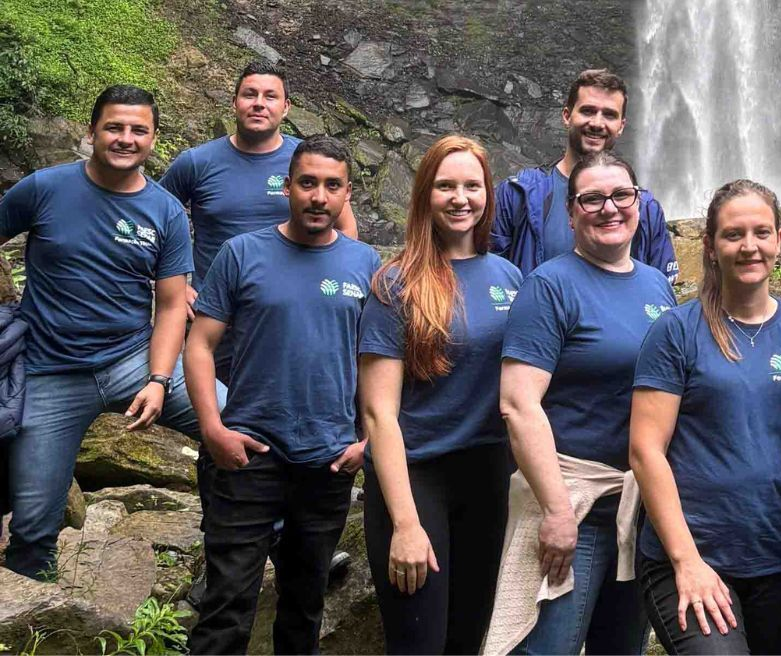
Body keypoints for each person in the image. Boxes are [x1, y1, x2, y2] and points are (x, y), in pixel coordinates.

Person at [184, 135, 380, 654]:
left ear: (346, 195)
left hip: (329, 460)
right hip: (247, 454)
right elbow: (199, 344)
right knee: (227, 603)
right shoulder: (242, 253)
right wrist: (212, 428)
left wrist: (366, 441)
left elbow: (374, 364)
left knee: (305, 602)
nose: (318, 196)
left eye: (331, 186)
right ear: (287, 187)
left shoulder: (366, 263)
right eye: (308, 183)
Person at [0, 85, 207, 580]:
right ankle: (34, 621)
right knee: (32, 523)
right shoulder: (42, 189)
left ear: (154, 139)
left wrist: (159, 379)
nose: (125, 138)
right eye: (114, 127)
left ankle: (273, 541)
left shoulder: (164, 211)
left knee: (239, 425)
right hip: (51, 371)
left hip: (134, 358)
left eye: (139, 130)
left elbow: (174, 304)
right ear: (91, 131)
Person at [629, 179, 781, 655]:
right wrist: (687, 561)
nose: (749, 246)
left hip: (777, 559)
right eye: (733, 234)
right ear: (711, 246)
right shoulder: (676, 331)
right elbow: (645, 449)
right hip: (689, 555)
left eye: (762, 232)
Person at [487, 150, 676, 655]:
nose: (609, 208)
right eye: (592, 198)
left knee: (622, 649)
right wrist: (555, 510)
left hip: (637, 507)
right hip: (574, 501)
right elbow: (518, 404)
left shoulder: (657, 285)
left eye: (621, 195)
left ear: (639, 204)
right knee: (549, 648)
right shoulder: (549, 286)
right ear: (570, 213)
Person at [358, 135, 519, 654]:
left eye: (472, 186)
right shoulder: (395, 284)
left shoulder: (511, 278)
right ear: (425, 194)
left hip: (490, 477)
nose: (460, 197)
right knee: (419, 644)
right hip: (417, 476)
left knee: (470, 641)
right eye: (446, 185)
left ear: (487, 196)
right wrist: (405, 523)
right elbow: (378, 414)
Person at [161, 61, 359, 296]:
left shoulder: (307, 162)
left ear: (285, 107)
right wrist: (176, 286)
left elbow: (346, 227)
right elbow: (153, 218)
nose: (259, 104)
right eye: (250, 95)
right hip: (213, 307)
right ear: (235, 103)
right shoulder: (196, 162)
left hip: (290, 301)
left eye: (270, 96)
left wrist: (322, 281)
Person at [492, 68, 675, 280]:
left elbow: (661, 292)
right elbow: (492, 281)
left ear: (621, 126)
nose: (597, 123)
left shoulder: (646, 208)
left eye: (609, 114)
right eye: (588, 111)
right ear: (567, 115)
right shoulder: (517, 196)